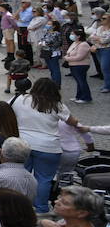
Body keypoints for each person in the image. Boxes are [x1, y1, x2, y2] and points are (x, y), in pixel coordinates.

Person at [13, 77, 81, 212]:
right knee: (44, 179)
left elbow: (6, 108)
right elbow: (72, 122)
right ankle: (41, 207)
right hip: (48, 147)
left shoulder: (21, 99)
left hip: (22, 144)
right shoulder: (56, 105)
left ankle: (19, 205)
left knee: (21, 175)